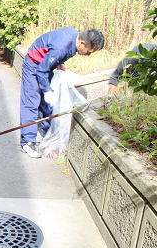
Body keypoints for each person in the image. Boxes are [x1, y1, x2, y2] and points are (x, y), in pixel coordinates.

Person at [20, 27, 105, 158]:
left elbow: (52, 54)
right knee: (31, 102)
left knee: (46, 105)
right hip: (34, 64)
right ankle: (27, 142)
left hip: (44, 65)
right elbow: (41, 70)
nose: (88, 55)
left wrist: (60, 62)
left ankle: (49, 136)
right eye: (88, 52)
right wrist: (47, 91)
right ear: (82, 43)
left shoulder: (74, 38)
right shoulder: (62, 46)